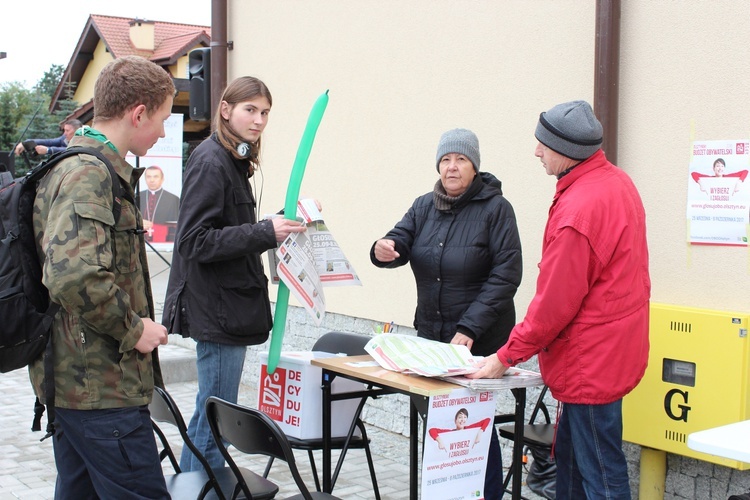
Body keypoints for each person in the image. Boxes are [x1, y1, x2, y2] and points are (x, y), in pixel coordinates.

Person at [467, 100, 650, 500]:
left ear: (566, 150)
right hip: (609, 351)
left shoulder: (578, 210)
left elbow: (554, 304)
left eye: (542, 145)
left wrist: (505, 356)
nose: (536, 152)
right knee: (570, 467)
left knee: (601, 474)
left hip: (590, 362)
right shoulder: (617, 182)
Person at [30, 55, 173, 499]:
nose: (165, 132)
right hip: (100, 391)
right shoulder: (88, 172)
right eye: (163, 119)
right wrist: (135, 329)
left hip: (80, 388)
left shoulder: (77, 165)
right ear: (138, 113)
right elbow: (75, 276)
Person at [162, 76, 309, 471]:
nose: (259, 120)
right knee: (215, 420)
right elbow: (194, 241)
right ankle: (201, 490)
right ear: (225, 110)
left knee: (208, 414)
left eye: (265, 112)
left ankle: (193, 488)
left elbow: (227, 229)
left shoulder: (231, 159)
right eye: (250, 110)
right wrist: (264, 232)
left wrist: (273, 225)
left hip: (226, 307)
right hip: (219, 311)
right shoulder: (212, 161)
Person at [370, 128, 522, 500]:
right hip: (433, 339)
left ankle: (485, 494)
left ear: (474, 166)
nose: (452, 167)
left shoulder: (496, 209)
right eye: (446, 160)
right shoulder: (424, 205)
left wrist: (470, 326)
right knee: (440, 424)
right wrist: (382, 249)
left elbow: (507, 275)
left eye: (461, 160)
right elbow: (399, 240)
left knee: (472, 426)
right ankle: (445, 493)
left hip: (478, 341)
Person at [139, 165, 180, 240]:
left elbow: (176, 226)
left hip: (164, 243)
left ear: (162, 179)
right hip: (140, 241)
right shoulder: (137, 196)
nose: (152, 180)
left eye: (155, 177)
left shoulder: (173, 199)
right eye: (148, 177)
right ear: (145, 179)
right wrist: (138, 221)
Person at [15, 118, 82, 156]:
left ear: (77, 131)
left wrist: (48, 150)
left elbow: (70, 150)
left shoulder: (83, 141)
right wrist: (26, 143)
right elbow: (49, 142)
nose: (65, 133)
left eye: (67, 130)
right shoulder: (64, 138)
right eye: (64, 130)